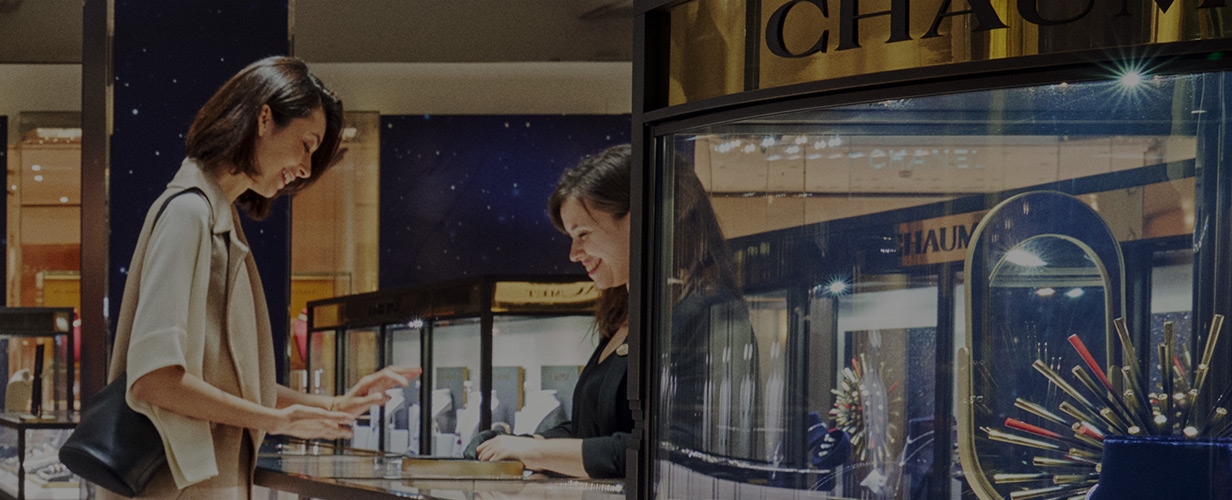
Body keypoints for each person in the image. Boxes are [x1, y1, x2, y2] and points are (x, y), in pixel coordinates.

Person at [112, 55, 420, 500]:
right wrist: (277, 421)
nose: (307, 167)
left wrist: (331, 405)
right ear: (263, 118)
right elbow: (155, 378)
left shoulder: (217, 219)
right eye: (307, 144)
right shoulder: (189, 214)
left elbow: (232, 387)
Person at [476, 144, 753, 480]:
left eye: (582, 234)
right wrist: (521, 443)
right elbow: (592, 430)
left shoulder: (707, 314)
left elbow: (668, 452)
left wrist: (533, 451)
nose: (574, 253)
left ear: (639, 221)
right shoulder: (624, 316)